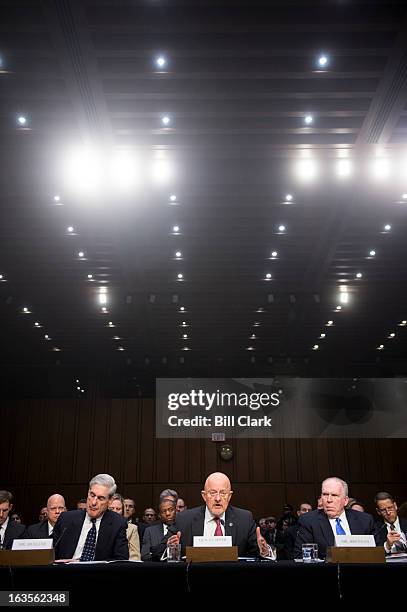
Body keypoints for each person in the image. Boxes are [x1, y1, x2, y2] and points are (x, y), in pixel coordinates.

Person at [165, 472, 275, 559]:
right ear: (204, 496)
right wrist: (171, 548)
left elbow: (259, 551)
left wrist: (265, 550)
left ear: (229, 496)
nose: (218, 499)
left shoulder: (244, 519)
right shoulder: (184, 519)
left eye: (223, 493)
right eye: (212, 493)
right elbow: (158, 551)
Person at [53, 473, 129, 561]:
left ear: (110, 501)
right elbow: (50, 552)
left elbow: (120, 561)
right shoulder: (66, 519)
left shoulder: (118, 523)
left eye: (100, 498)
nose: (93, 502)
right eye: (92, 495)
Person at [294, 477, 375, 559]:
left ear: (345, 500)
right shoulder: (309, 521)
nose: (329, 500)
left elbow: (377, 553)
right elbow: (301, 556)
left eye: (334, 495)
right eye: (325, 494)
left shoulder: (365, 520)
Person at [109, 494, 140, 560]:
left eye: (118, 509)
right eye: (111, 509)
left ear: (123, 511)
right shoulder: (98, 525)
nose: (115, 511)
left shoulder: (132, 528)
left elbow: (135, 556)